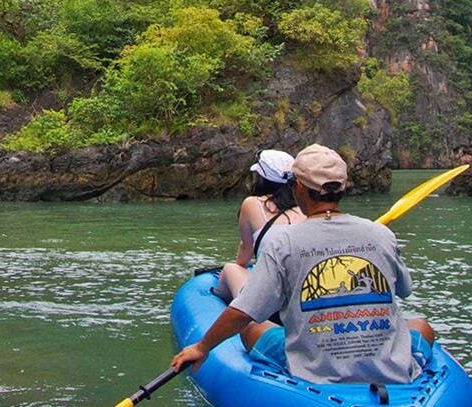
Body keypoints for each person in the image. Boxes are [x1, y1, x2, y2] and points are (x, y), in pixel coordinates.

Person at [172, 144, 436, 385]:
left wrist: (202, 347)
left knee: (254, 329)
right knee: (421, 326)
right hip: (390, 367)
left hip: (318, 368)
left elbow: (243, 312)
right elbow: (404, 290)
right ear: (344, 187)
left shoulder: (284, 243)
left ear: (298, 188)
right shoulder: (381, 235)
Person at [213, 149, 306, 301]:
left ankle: (223, 306)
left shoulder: (251, 204)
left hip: (270, 299)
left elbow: (244, 255)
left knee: (231, 269)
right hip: (304, 291)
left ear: (262, 179)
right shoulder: (307, 207)